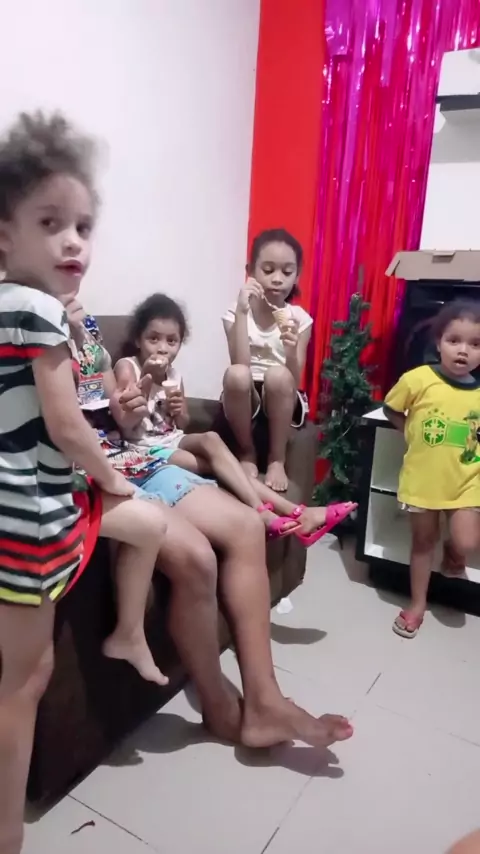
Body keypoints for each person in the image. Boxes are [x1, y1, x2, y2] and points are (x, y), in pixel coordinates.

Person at [68, 301, 354, 750]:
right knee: (198, 558)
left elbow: (112, 412)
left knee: (246, 526)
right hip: (93, 473)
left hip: (130, 457)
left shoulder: (83, 326)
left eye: (171, 340)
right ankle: (218, 705)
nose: (162, 347)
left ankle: (265, 701)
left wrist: (137, 401)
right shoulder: (25, 323)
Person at [0, 112, 171, 854]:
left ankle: (128, 632)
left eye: (83, 226)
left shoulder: (23, 308)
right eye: (50, 223)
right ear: (5, 236)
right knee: (24, 680)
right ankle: (8, 833)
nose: (73, 241)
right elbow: (69, 425)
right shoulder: (36, 309)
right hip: (28, 513)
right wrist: (111, 480)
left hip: (24, 499)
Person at [112, 293, 356, 544]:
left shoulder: (174, 375)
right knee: (220, 467)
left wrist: (178, 410)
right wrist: (148, 377)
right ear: (138, 339)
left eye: (171, 341)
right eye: (153, 339)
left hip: (172, 439)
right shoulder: (127, 366)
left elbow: (182, 423)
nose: (162, 348)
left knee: (211, 439)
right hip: (143, 448)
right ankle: (271, 511)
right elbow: (125, 415)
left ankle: (297, 511)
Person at [384, 300, 480, 639]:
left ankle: (454, 554)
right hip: (423, 479)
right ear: (438, 342)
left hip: (466, 480)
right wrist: (409, 432)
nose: (463, 350)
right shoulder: (418, 379)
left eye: (475, 344)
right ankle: (417, 604)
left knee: (467, 540)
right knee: (423, 542)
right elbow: (392, 408)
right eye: (454, 340)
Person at [221, 228, 311, 493]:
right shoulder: (235, 312)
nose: (277, 279)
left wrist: (291, 351)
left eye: (287, 272)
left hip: (282, 392)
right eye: (268, 270)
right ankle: (246, 451)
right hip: (245, 392)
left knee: (278, 375)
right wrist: (242, 311)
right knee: (236, 374)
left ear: (297, 275)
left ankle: (276, 459)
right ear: (251, 271)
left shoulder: (299, 318)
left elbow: (295, 379)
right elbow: (240, 364)